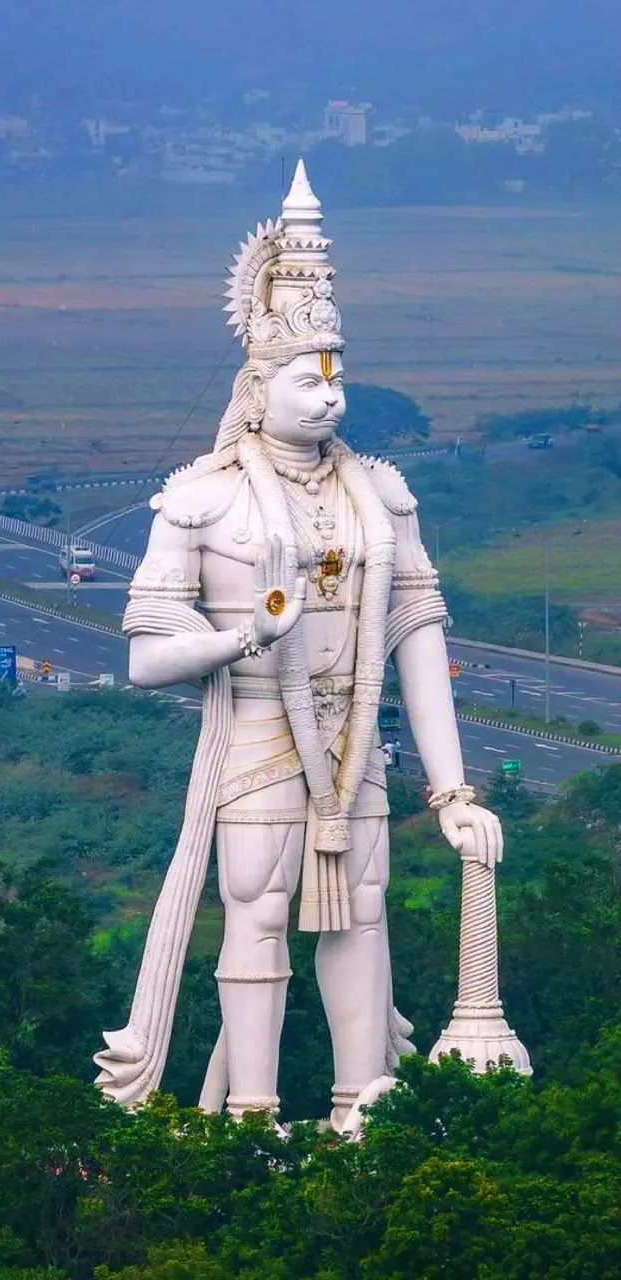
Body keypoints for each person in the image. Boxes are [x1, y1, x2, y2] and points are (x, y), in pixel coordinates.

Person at [94, 160, 503, 1131]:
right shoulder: (205, 497)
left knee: (362, 914)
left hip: (356, 745)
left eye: (336, 377)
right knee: (259, 910)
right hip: (259, 745)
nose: (327, 397)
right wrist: (243, 635)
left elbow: (415, 632)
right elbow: (146, 656)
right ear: (255, 380)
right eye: (304, 377)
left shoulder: (381, 495)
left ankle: (364, 1107)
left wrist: (452, 792)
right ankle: (251, 1115)